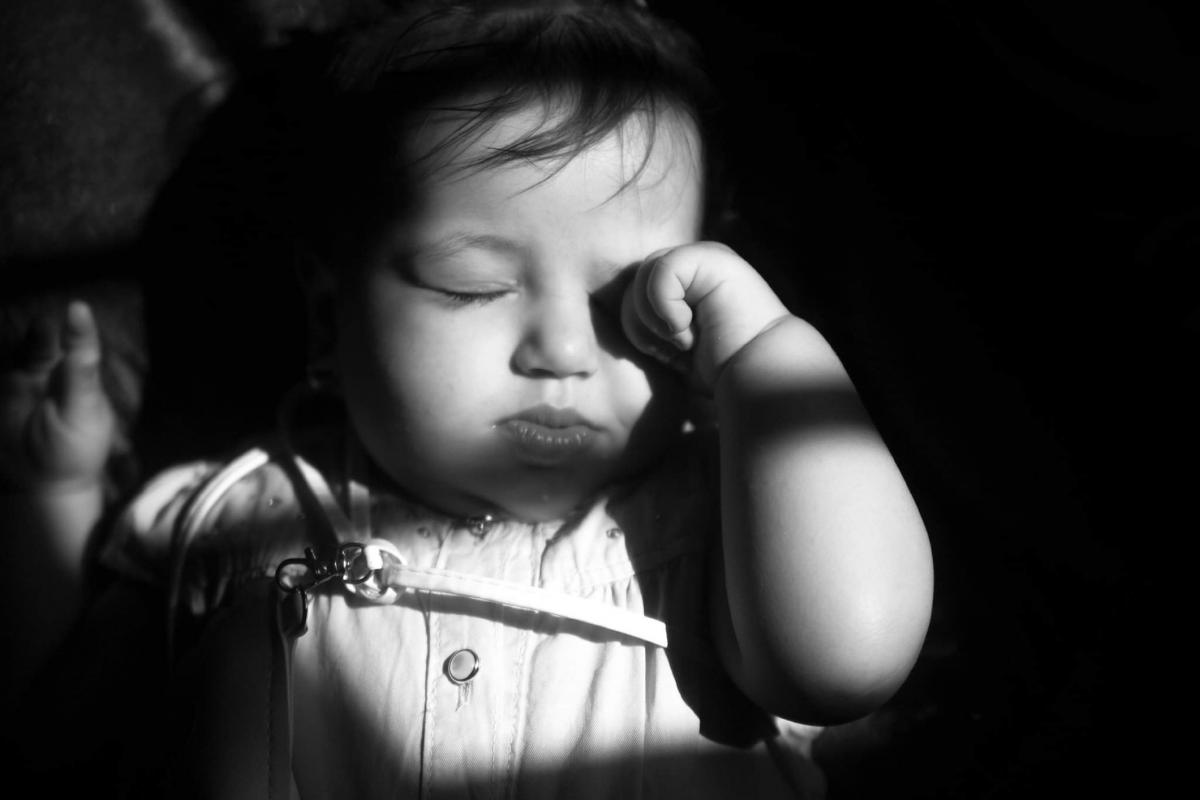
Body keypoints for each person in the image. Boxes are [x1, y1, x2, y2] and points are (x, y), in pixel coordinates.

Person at [0, 1, 933, 796]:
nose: (564, 350)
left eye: (634, 302)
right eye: (472, 287)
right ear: (328, 318)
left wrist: (768, 352)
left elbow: (848, 658)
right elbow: (57, 715)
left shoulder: (730, 519)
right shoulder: (231, 512)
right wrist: (45, 496)